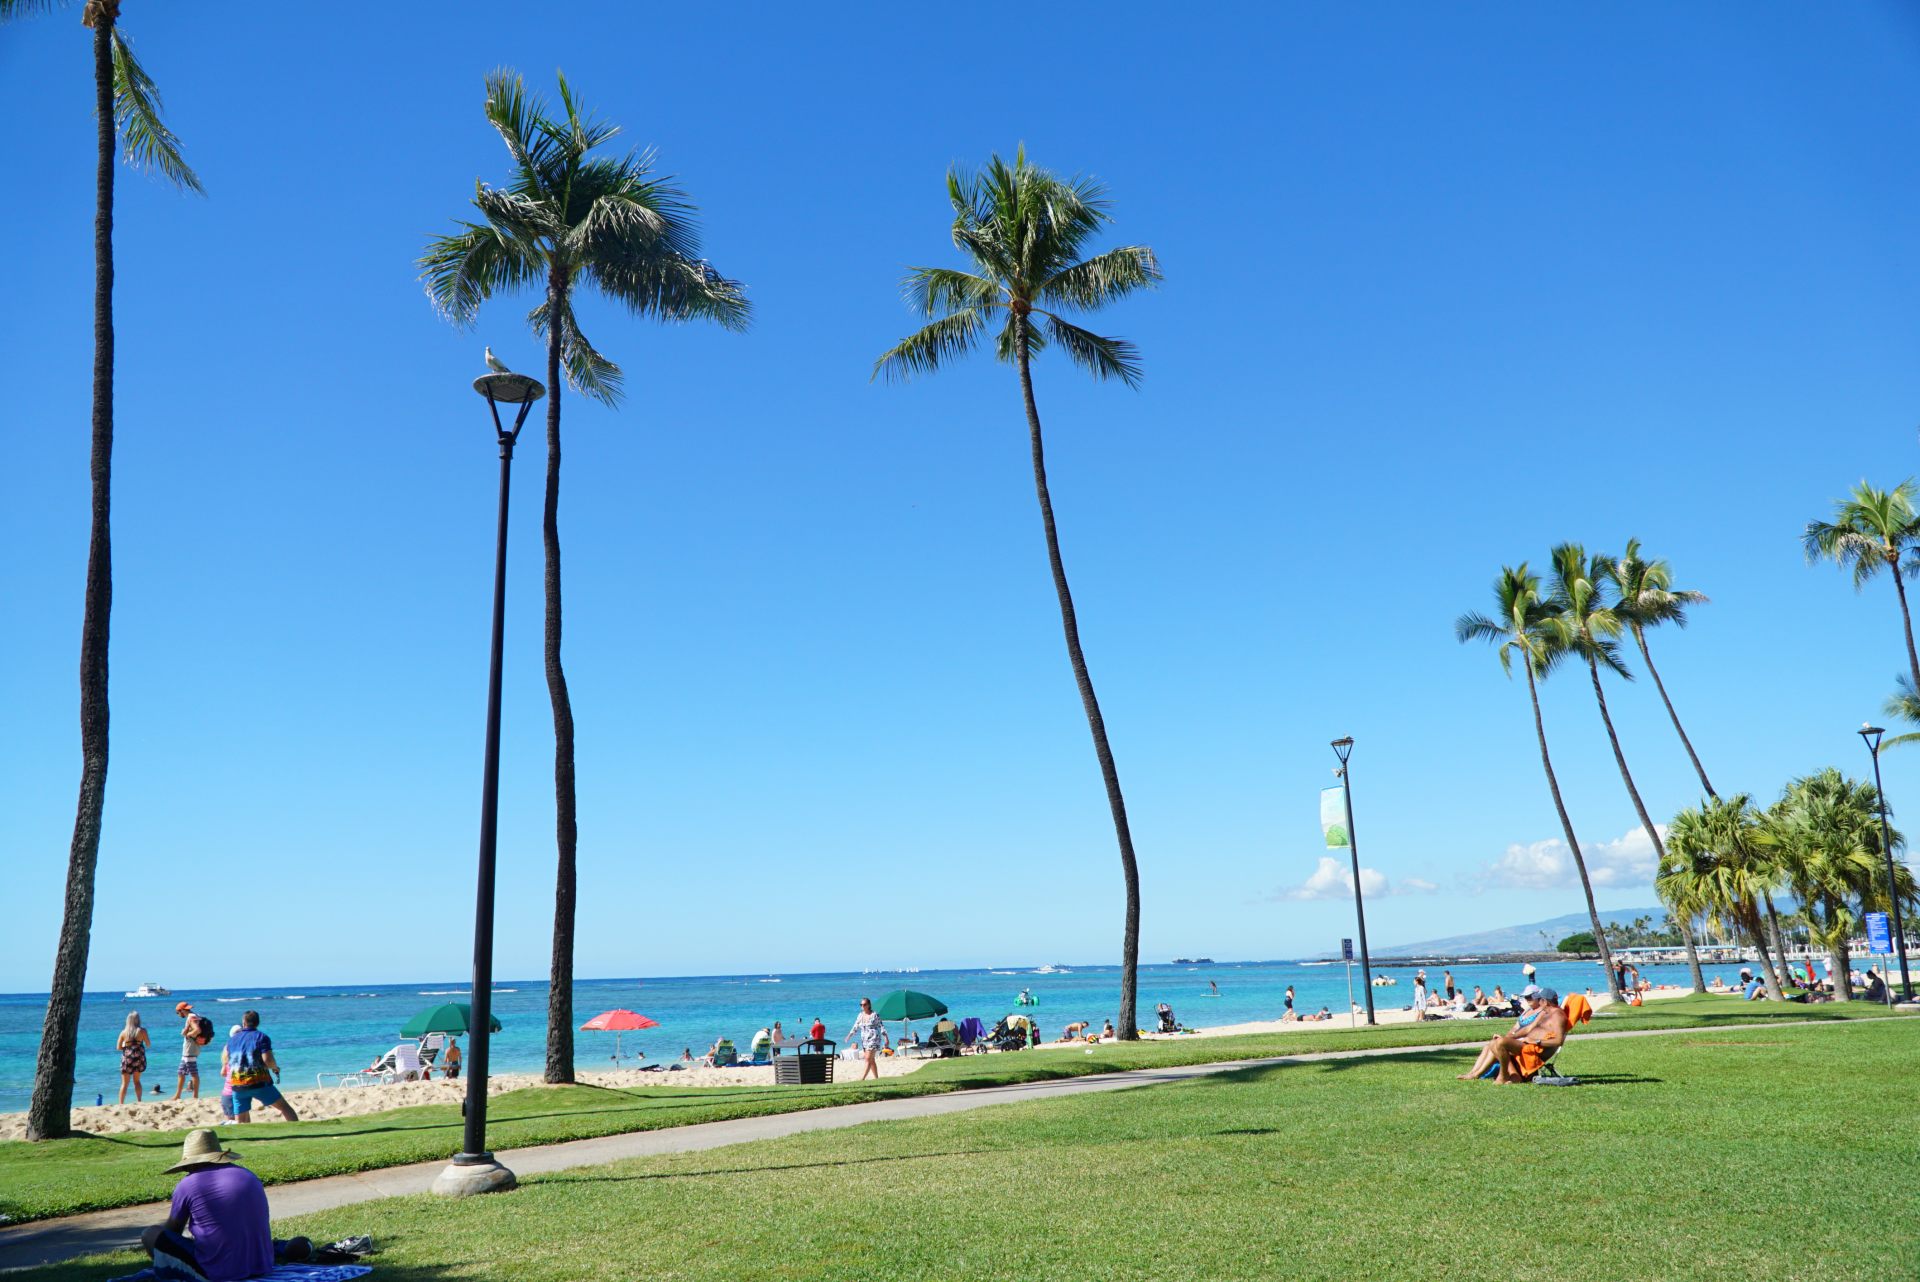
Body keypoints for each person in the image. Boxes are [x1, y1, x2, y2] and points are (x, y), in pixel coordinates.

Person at [143, 1128, 310, 1282]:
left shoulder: (188, 1184)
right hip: (262, 1265)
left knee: (150, 1234)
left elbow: (173, 1231)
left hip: (217, 1272)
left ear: (192, 1163)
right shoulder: (248, 1175)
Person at [1461, 986, 1566, 1083]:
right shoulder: (1545, 1013)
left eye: (1539, 999)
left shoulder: (1557, 1015)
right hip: (1527, 1044)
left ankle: (1503, 1075)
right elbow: (1528, 1029)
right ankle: (1475, 1073)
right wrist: (1508, 1037)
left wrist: (1536, 1041)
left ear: (1544, 1001)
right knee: (1495, 1042)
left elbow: (1559, 1041)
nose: (1538, 1001)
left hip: (1534, 1048)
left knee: (1500, 1043)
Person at [225, 1010, 298, 1124]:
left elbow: (229, 1061)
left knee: (241, 1121)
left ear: (244, 1022)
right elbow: (268, 1060)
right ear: (257, 1023)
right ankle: (297, 1131)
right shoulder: (261, 1037)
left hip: (237, 1083)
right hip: (258, 1082)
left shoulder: (231, 1040)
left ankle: (247, 1140)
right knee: (285, 1108)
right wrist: (275, 1068)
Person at [847, 997, 889, 1081]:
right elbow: (855, 1026)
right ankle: (876, 1079)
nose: (862, 1006)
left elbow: (881, 1026)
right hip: (864, 1040)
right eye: (861, 1004)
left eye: (864, 1004)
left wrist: (886, 1038)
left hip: (874, 1039)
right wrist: (849, 1035)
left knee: (867, 1058)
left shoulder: (874, 1015)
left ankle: (862, 1079)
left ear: (869, 1005)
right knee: (871, 1059)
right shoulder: (860, 1015)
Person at [172, 1002, 205, 1101]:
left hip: (190, 1049)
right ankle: (177, 1095)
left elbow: (197, 1030)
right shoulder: (195, 1016)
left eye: (178, 1013)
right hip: (191, 1049)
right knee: (181, 1072)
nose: (178, 1015)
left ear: (182, 1010)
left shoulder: (191, 1017)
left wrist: (187, 1035)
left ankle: (195, 1096)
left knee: (193, 1073)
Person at [118, 1011, 151, 1104]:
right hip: (139, 1058)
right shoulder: (142, 1031)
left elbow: (118, 1047)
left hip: (127, 1058)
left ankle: (121, 1103)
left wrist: (127, 1047)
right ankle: (139, 1101)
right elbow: (148, 1044)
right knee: (137, 1081)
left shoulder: (123, 1032)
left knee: (124, 1083)